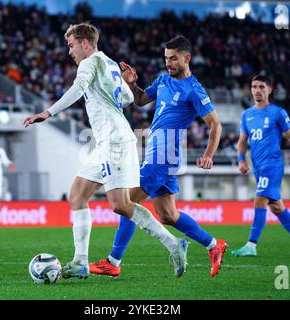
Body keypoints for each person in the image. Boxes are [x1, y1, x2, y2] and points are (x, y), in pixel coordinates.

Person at [23, 23, 188, 280]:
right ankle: (80, 261)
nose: (70, 51)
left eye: (72, 45)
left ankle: (173, 244)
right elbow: (128, 100)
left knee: (121, 205)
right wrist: (119, 89)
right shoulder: (109, 63)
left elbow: (78, 89)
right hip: (108, 141)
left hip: (114, 142)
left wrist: (48, 112)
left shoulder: (88, 63)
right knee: (77, 195)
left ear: (85, 43)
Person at [89, 36, 227, 278]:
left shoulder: (194, 89)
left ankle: (114, 261)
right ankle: (213, 245)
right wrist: (132, 84)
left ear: (187, 58)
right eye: (166, 58)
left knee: (126, 203)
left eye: (173, 58)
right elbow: (141, 100)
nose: (168, 63)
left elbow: (215, 124)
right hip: (156, 154)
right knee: (167, 215)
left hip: (164, 156)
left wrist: (208, 155)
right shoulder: (163, 80)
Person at [231, 74, 290, 257]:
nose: (257, 90)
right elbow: (243, 140)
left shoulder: (278, 113)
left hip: (273, 165)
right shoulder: (247, 115)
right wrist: (241, 159)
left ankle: (251, 245)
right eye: (254, 87)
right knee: (276, 207)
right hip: (258, 167)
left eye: (261, 87)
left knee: (259, 199)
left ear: (270, 89)